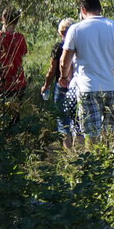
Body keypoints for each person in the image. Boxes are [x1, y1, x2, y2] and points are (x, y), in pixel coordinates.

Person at [60, 0, 114, 144]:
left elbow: (64, 61)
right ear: (100, 9)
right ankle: (110, 162)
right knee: (111, 132)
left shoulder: (75, 29)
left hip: (88, 88)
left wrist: (64, 76)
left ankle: (93, 163)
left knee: (91, 133)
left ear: (83, 10)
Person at [40, 18, 82, 150]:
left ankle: (69, 155)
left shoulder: (58, 48)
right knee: (78, 121)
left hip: (62, 86)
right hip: (78, 86)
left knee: (63, 122)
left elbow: (52, 70)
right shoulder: (80, 45)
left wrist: (46, 85)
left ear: (60, 32)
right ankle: (81, 155)